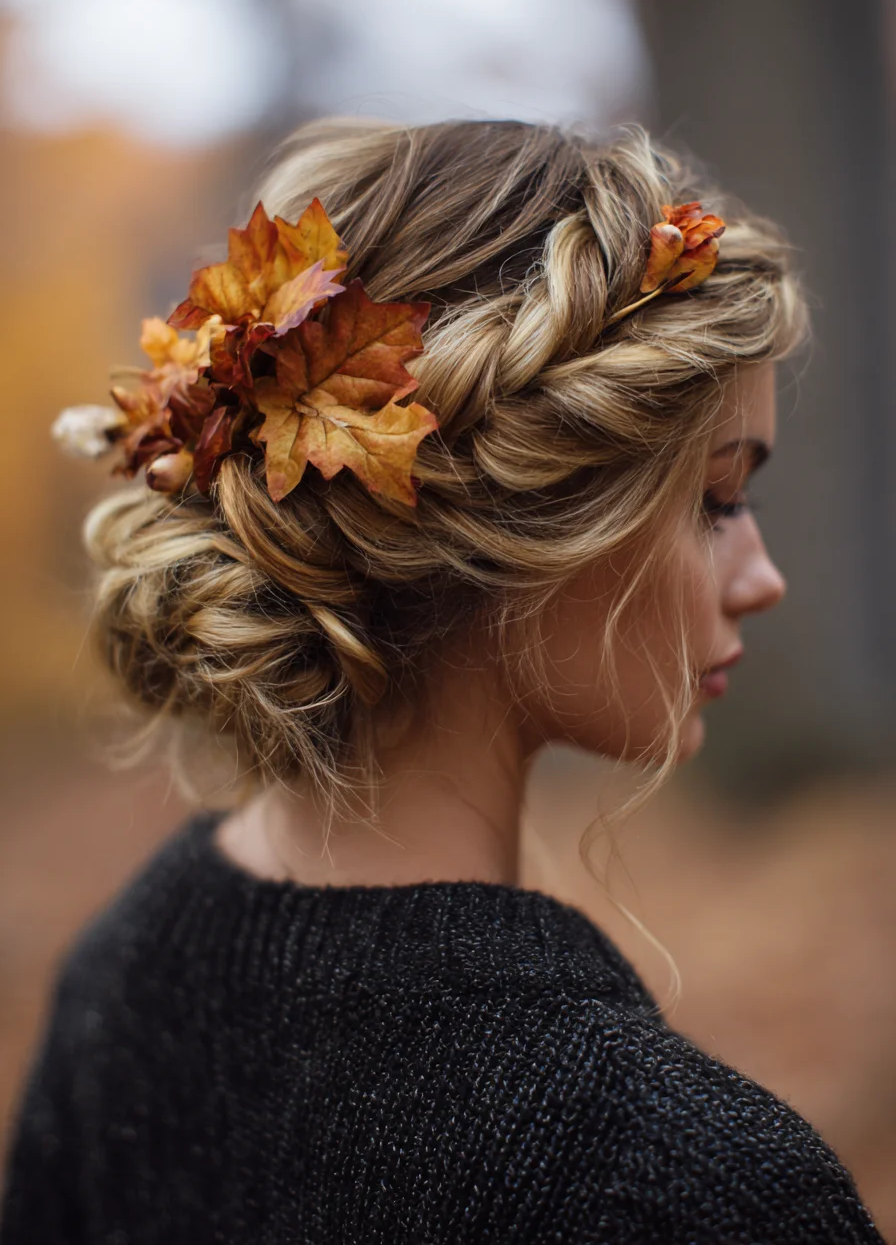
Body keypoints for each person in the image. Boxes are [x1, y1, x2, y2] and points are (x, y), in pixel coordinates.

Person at [1, 119, 884, 1244]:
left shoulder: (119, 976)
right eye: (713, 500)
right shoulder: (687, 1190)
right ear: (521, 522)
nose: (760, 577)